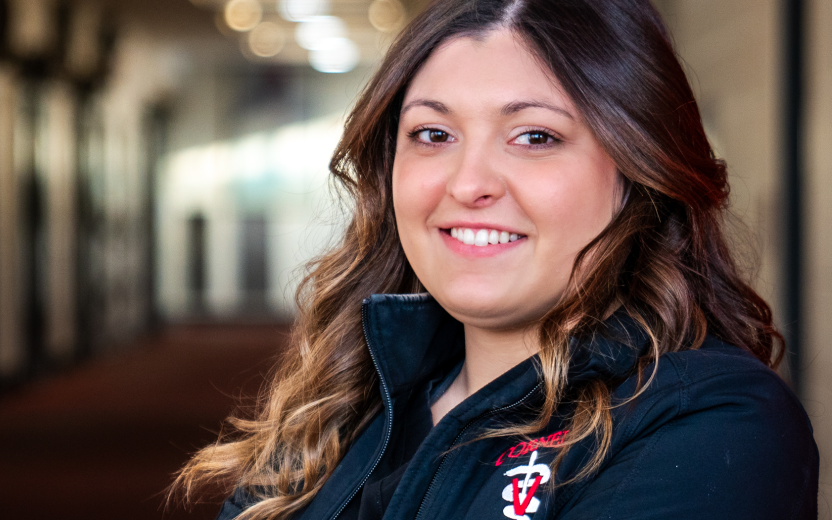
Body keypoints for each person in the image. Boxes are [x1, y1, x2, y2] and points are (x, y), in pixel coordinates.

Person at [173, 0, 819, 518]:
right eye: (433, 134)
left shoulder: (717, 428)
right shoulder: (342, 407)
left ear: (638, 170)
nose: (468, 182)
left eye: (534, 137)